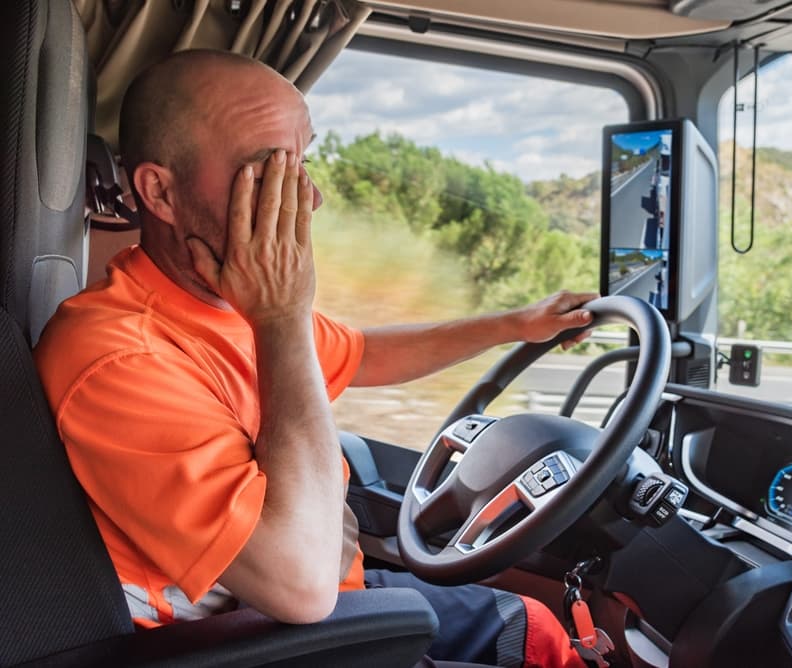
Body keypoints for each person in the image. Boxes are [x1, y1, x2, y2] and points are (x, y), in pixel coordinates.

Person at [33, 49, 594, 668]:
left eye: (303, 162)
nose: (313, 198)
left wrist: (516, 324)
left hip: (323, 609)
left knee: (537, 627)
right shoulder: (119, 359)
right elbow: (301, 584)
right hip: (260, 642)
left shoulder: (220, 303)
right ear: (160, 192)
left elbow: (363, 353)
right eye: (268, 170)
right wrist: (281, 317)